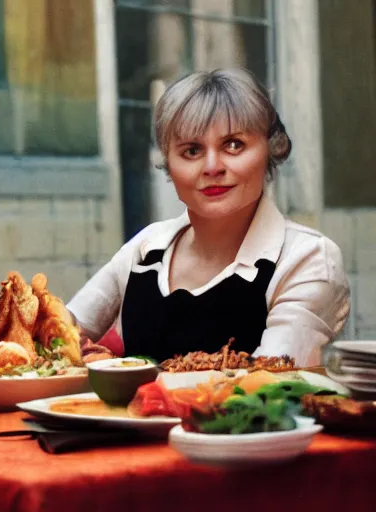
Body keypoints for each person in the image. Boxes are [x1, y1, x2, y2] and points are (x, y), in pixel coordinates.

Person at [67, 68, 350, 368]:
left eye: (233, 145)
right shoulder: (146, 249)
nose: (212, 167)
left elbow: (268, 384)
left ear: (270, 149)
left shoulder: (309, 259)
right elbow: (58, 339)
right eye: (191, 150)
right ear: (168, 163)